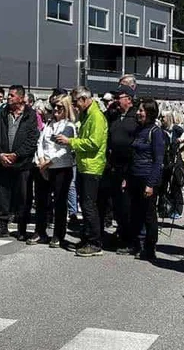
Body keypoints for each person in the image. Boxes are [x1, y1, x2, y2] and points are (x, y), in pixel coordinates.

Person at [56, 87, 108, 257]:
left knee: (89, 205)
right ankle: (87, 238)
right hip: (84, 165)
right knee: (85, 206)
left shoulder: (96, 116)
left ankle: (95, 242)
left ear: (84, 99)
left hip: (92, 166)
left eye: (76, 102)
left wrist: (71, 141)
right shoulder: (86, 115)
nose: (74, 105)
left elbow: (94, 143)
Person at [0, 84, 40, 238]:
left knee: (23, 196)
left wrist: (17, 154)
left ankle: (21, 228)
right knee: (1, 194)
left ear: (21, 98)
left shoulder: (31, 116)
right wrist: (0, 154)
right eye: (8, 95)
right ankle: (2, 225)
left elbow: (32, 140)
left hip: (22, 164)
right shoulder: (1, 114)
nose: (8, 97)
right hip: (3, 163)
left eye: (12, 95)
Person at [126, 97, 167, 260]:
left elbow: (158, 160)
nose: (138, 113)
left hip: (147, 177)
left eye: (141, 110)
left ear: (149, 113)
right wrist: (127, 178)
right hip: (134, 177)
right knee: (135, 212)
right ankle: (137, 243)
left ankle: (150, 248)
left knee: (149, 215)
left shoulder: (156, 132)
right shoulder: (138, 130)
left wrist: (150, 184)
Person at [33, 94, 77, 247]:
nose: (56, 109)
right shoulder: (49, 124)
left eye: (60, 107)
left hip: (60, 168)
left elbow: (65, 150)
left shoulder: (69, 126)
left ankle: (58, 235)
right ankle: (40, 231)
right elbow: (40, 142)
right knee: (41, 201)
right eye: (54, 106)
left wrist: (48, 162)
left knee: (59, 202)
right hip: (43, 166)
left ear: (67, 109)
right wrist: (40, 160)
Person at [100, 87, 140, 250]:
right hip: (113, 165)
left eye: (119, 97)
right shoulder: (114, 115)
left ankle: (130, 240)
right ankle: (121, 234)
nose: (116, 100)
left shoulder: (135, 117)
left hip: (128, 166)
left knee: (127, 206)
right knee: (117, 204)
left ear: (129, 99)